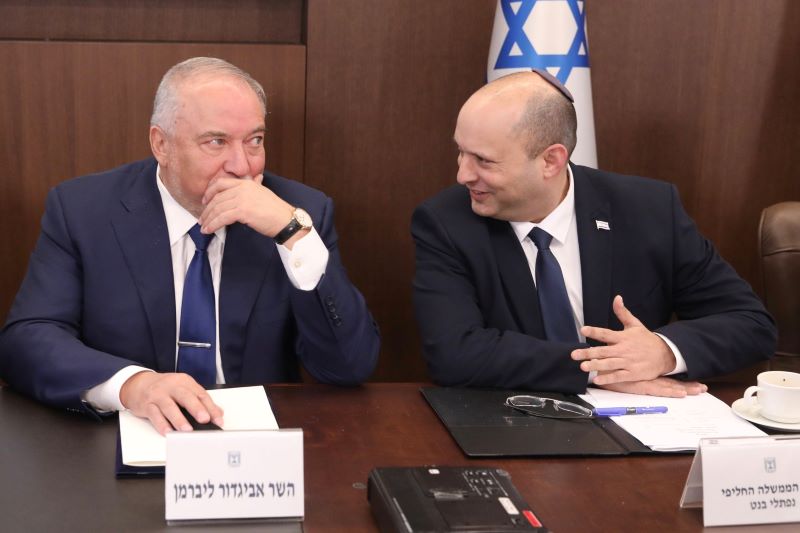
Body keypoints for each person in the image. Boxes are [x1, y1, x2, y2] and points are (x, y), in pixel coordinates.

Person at [0, 57, 380, 434]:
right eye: (216, 142)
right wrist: (132, 385)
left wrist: (292, 234)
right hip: (127, 434)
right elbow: (27, 340)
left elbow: (349, 366)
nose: (242, 166)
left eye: (255, 141)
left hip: (254, 444)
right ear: (161, 144)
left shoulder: (298, 213)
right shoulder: (84, 211)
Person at [411, 70, 776, 397]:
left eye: (484, 160)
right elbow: (454, 353)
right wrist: (601, 367)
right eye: (461, 152)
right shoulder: (446, 222)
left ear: (551, 160)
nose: (463, 174)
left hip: (643, 424)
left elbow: (751, 324)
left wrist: (662, 352)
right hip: (511, 420)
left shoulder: (648, 209)